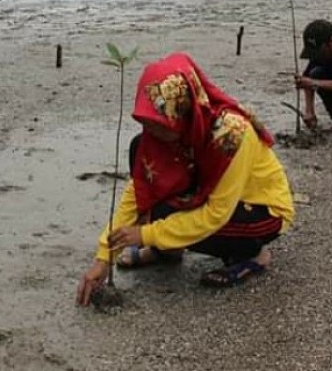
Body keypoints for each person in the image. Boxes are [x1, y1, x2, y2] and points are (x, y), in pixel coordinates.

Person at [76, 52, 295, 305]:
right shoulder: (162, 130)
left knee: (168, 220)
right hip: (207, 191)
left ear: (183, 111)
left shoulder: (231, 135)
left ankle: (253, 255)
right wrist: (104, 258)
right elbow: (138, 193)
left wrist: (144, 235)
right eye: (148, 123)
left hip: (259, 210)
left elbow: (216, 214)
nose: (152, 133)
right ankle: (168, 251)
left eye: (159, 125)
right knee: (142, 155)